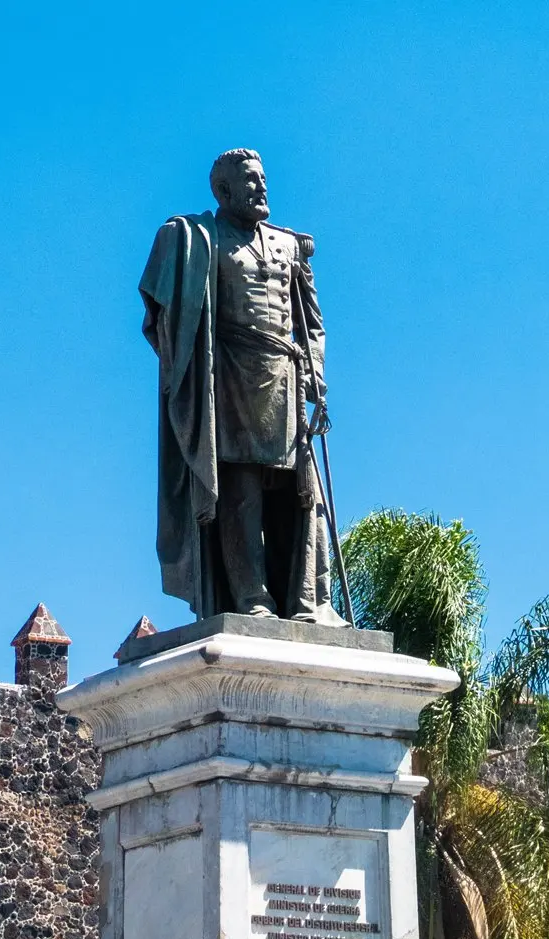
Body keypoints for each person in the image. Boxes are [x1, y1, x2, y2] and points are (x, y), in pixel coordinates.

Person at [139, 148, 346, 624]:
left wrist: (316, 375)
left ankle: (305, 602)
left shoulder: (289, 246)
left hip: (288, 381)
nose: (261, 188)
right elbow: (164, 312)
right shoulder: (204, 239)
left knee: (297, 495)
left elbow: (311, 323)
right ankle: (252, 597)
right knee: (241, 490)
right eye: (249, 181)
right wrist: (175, 237)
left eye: (263, 179)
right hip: (230, 375)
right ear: (224, 191)